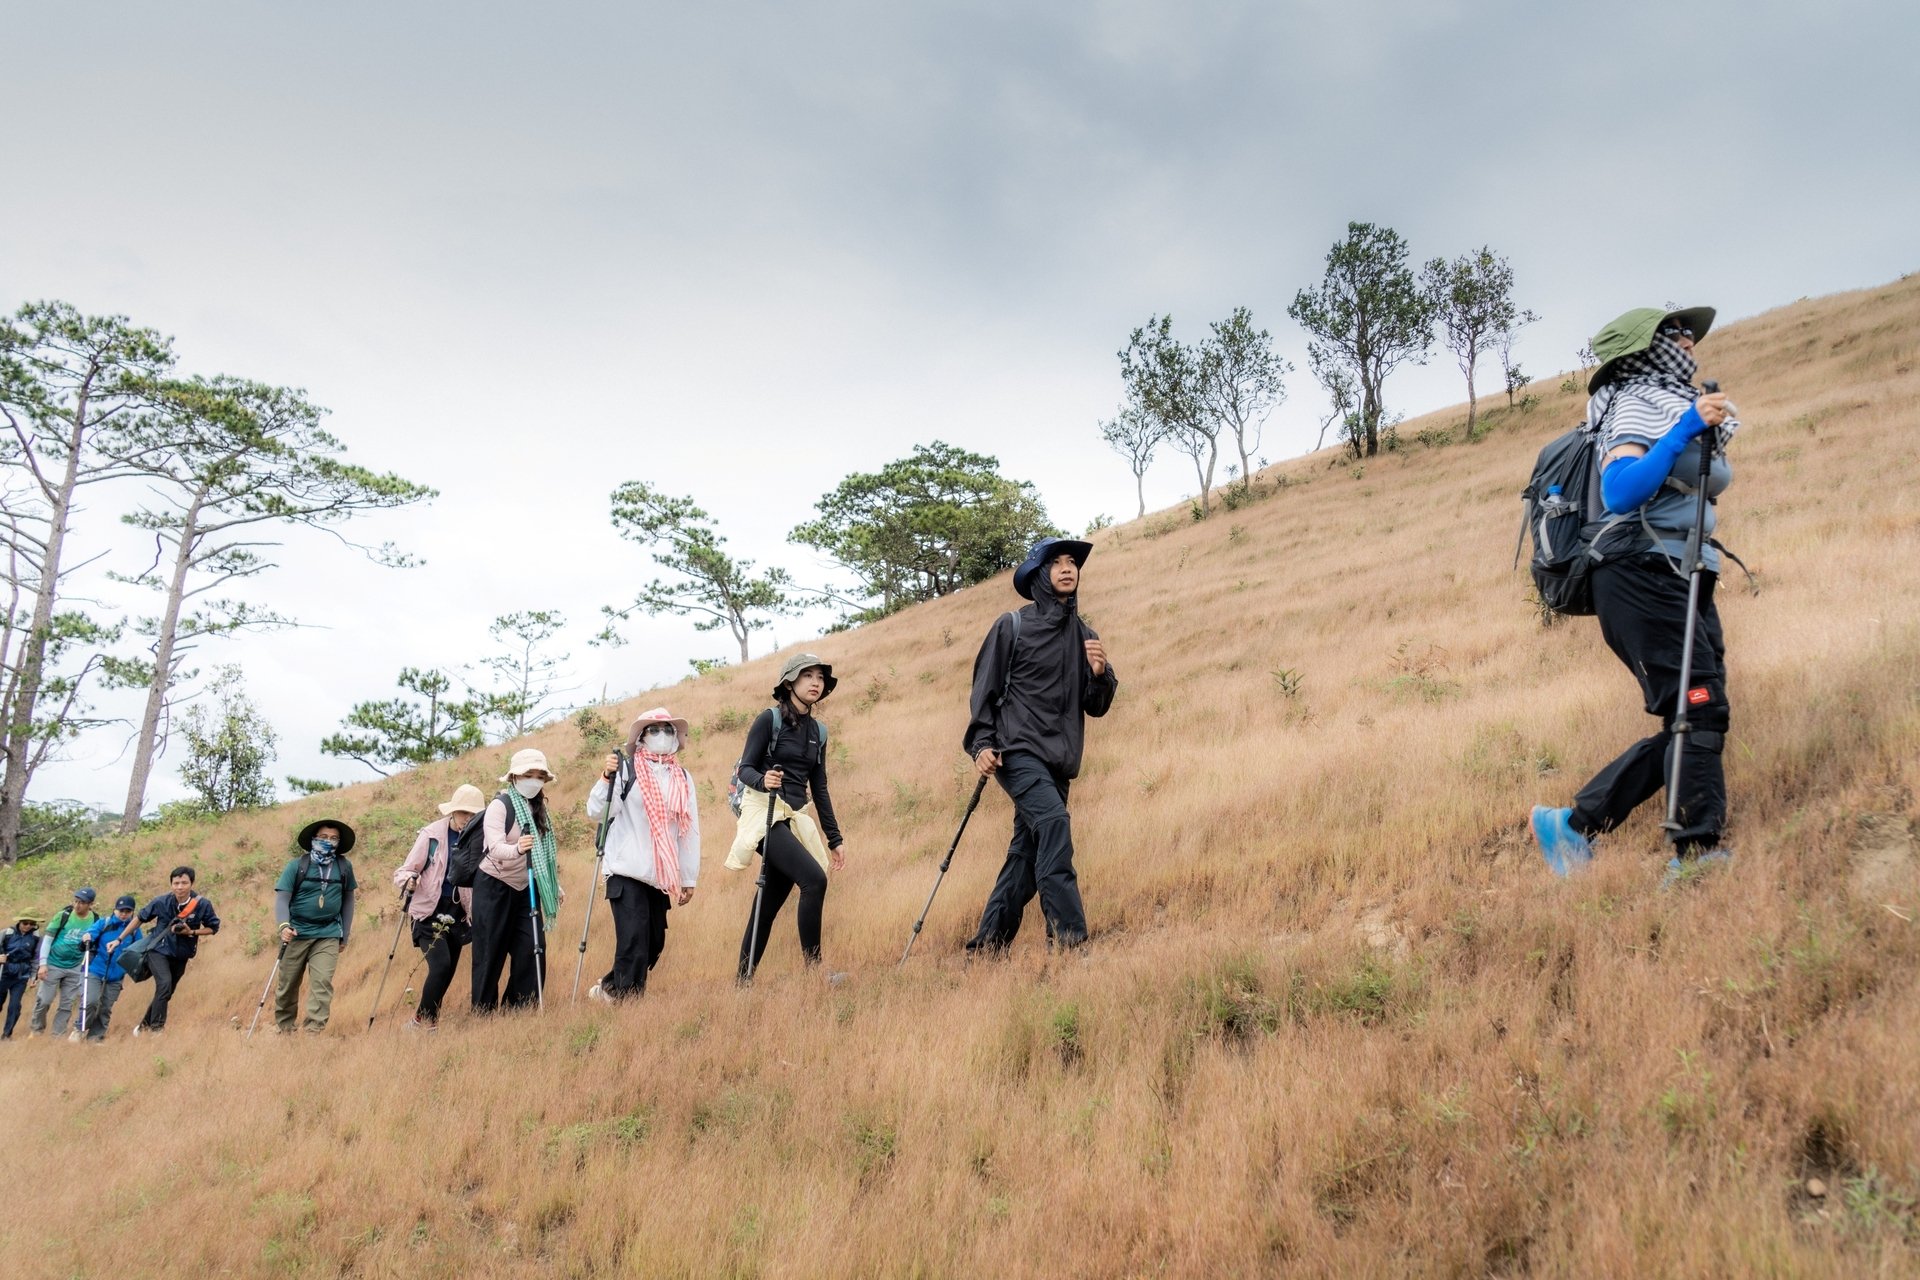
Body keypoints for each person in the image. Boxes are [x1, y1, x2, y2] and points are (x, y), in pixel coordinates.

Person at [1532, 306, 1738, 884]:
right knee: (1696, 702)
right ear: (1644, 350)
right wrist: (1683, 430)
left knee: (1697, 708)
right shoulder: (1635, 402)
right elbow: (1621, 491)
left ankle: (1575, 825)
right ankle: (1695, 858)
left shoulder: (1670, 400)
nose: (1691, 341)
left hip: (1679, 569)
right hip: (1639, 572)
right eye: (1678, 333)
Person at [963, 537, 1119, 954]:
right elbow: (984, 690)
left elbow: (1096, 705)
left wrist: (1100, 674)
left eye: (1073, 562)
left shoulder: (1086, 636)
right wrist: (981, 744)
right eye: (1057, 562)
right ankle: (1070, 942)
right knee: (1053, 824)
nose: (1068, 568)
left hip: (1059, 760)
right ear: (1038, 574)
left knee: (1027, 856)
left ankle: (988, 947)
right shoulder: (1012, 626)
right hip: (1017, 752)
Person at [726, 653, 846, 978]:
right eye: (807, 675)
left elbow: (819, 788)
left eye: (820, 677)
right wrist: (763, 780)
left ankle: (742, 981)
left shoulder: (818, 732)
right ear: (790, 682)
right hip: (762, 813)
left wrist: (834, 838)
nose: (815, 682)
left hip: (792, 816)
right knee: (814, 880)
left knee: (768, 903)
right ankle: (815, 973)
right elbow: (745, 769)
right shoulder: (769, 720)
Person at [584, 709, 699, 1001]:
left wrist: (688, 878)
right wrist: (606, 779)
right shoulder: (627, 770)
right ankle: (628, 1003)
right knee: (633, 938)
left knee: (653, 943)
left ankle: (607, 989)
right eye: (654, 729)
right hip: (626, 868)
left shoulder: (682, 777)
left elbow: (689, 830)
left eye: (668, 729)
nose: (662, 734)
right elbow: (597, 811)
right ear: (642, 737)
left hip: (659, 874)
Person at [471, 749, 562, 1012]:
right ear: (513, 777)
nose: (534, 780)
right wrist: (518, 849)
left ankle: (519, 1009)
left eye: (539, 776)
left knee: (532, 949)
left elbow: (542, 854)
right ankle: (483, 1013)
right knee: (490, 952)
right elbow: (495, 847)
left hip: (526, 887)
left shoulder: (539, 807)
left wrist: (555, 887)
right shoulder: (500, 806)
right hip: (493, 887)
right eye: (528, 775)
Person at [392, 784, 483, 1030]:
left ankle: (429, 1024)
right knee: (440, 965)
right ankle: (420, 1021)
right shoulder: (431, 835)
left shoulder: (478, 838)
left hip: (459, 915)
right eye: (464, 813)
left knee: (448, 972)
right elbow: (405, 870)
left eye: (473, 815)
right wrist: (409, 880)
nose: (468, 819)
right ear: (452, 812)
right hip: (428, 912)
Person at [273, 820, 359, 1034]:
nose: (327, 841)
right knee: (287, 985)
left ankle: (313, 1032)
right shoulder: (297, 866)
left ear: (339, 842)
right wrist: (284, 925)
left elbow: (348, 901)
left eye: (333, 838)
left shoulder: (343, 867)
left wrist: (344, 935)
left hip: (328, 933)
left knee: (322, 983)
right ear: (313, 839)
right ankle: (285, 1028)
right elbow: (282, 899)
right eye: (322, 837)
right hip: (296, 933)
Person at [124, 866, 219, 1038]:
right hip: (158, 950)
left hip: (181, 954)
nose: (180, 887)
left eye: (184, 883)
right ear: (171, 884)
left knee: (167, 991)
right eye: (176, 883)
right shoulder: (161, 902)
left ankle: (143, 1026)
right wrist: (119, 939)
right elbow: (139, 918)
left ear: (192, 883)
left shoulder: (202, 904)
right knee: (164, 984)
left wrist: (191, 932)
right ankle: (156, 1030)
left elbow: (213, 927)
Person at [28, 888, 100, 1039]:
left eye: (82, 902)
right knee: (45, 1000)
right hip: (53, 964)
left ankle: (57, 1036)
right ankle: (36, 1030)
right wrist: (42, 964)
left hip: (75, 966)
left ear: (91, 904)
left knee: (67, 1004)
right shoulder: (63, 916)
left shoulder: (95, 919)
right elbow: (47, 940)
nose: (77, 905)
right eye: (76, 901)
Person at [79, 897, 140, 1042]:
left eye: (128, 911)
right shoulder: (104, 923)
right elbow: (90, 934)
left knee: (105, 1008)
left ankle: (95, 1037)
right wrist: (87, 937)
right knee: (91, 1002)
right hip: (94, 970)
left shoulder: (134, 930)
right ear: (115, 910)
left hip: (116, 975)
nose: (124, 914)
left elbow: (139, 948)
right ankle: (79, 1029)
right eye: (121, 911)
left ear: (132, 913)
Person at [2, 916, 40, 1039]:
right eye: (25, 923)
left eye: (32, 923)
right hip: (4, 973)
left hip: (21, 976)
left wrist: (33, 976)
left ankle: (7, 1035)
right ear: (19, 922)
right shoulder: (6, 933)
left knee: (14, 1006)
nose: (28, 926)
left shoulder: (36, 938)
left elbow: (35, 958)